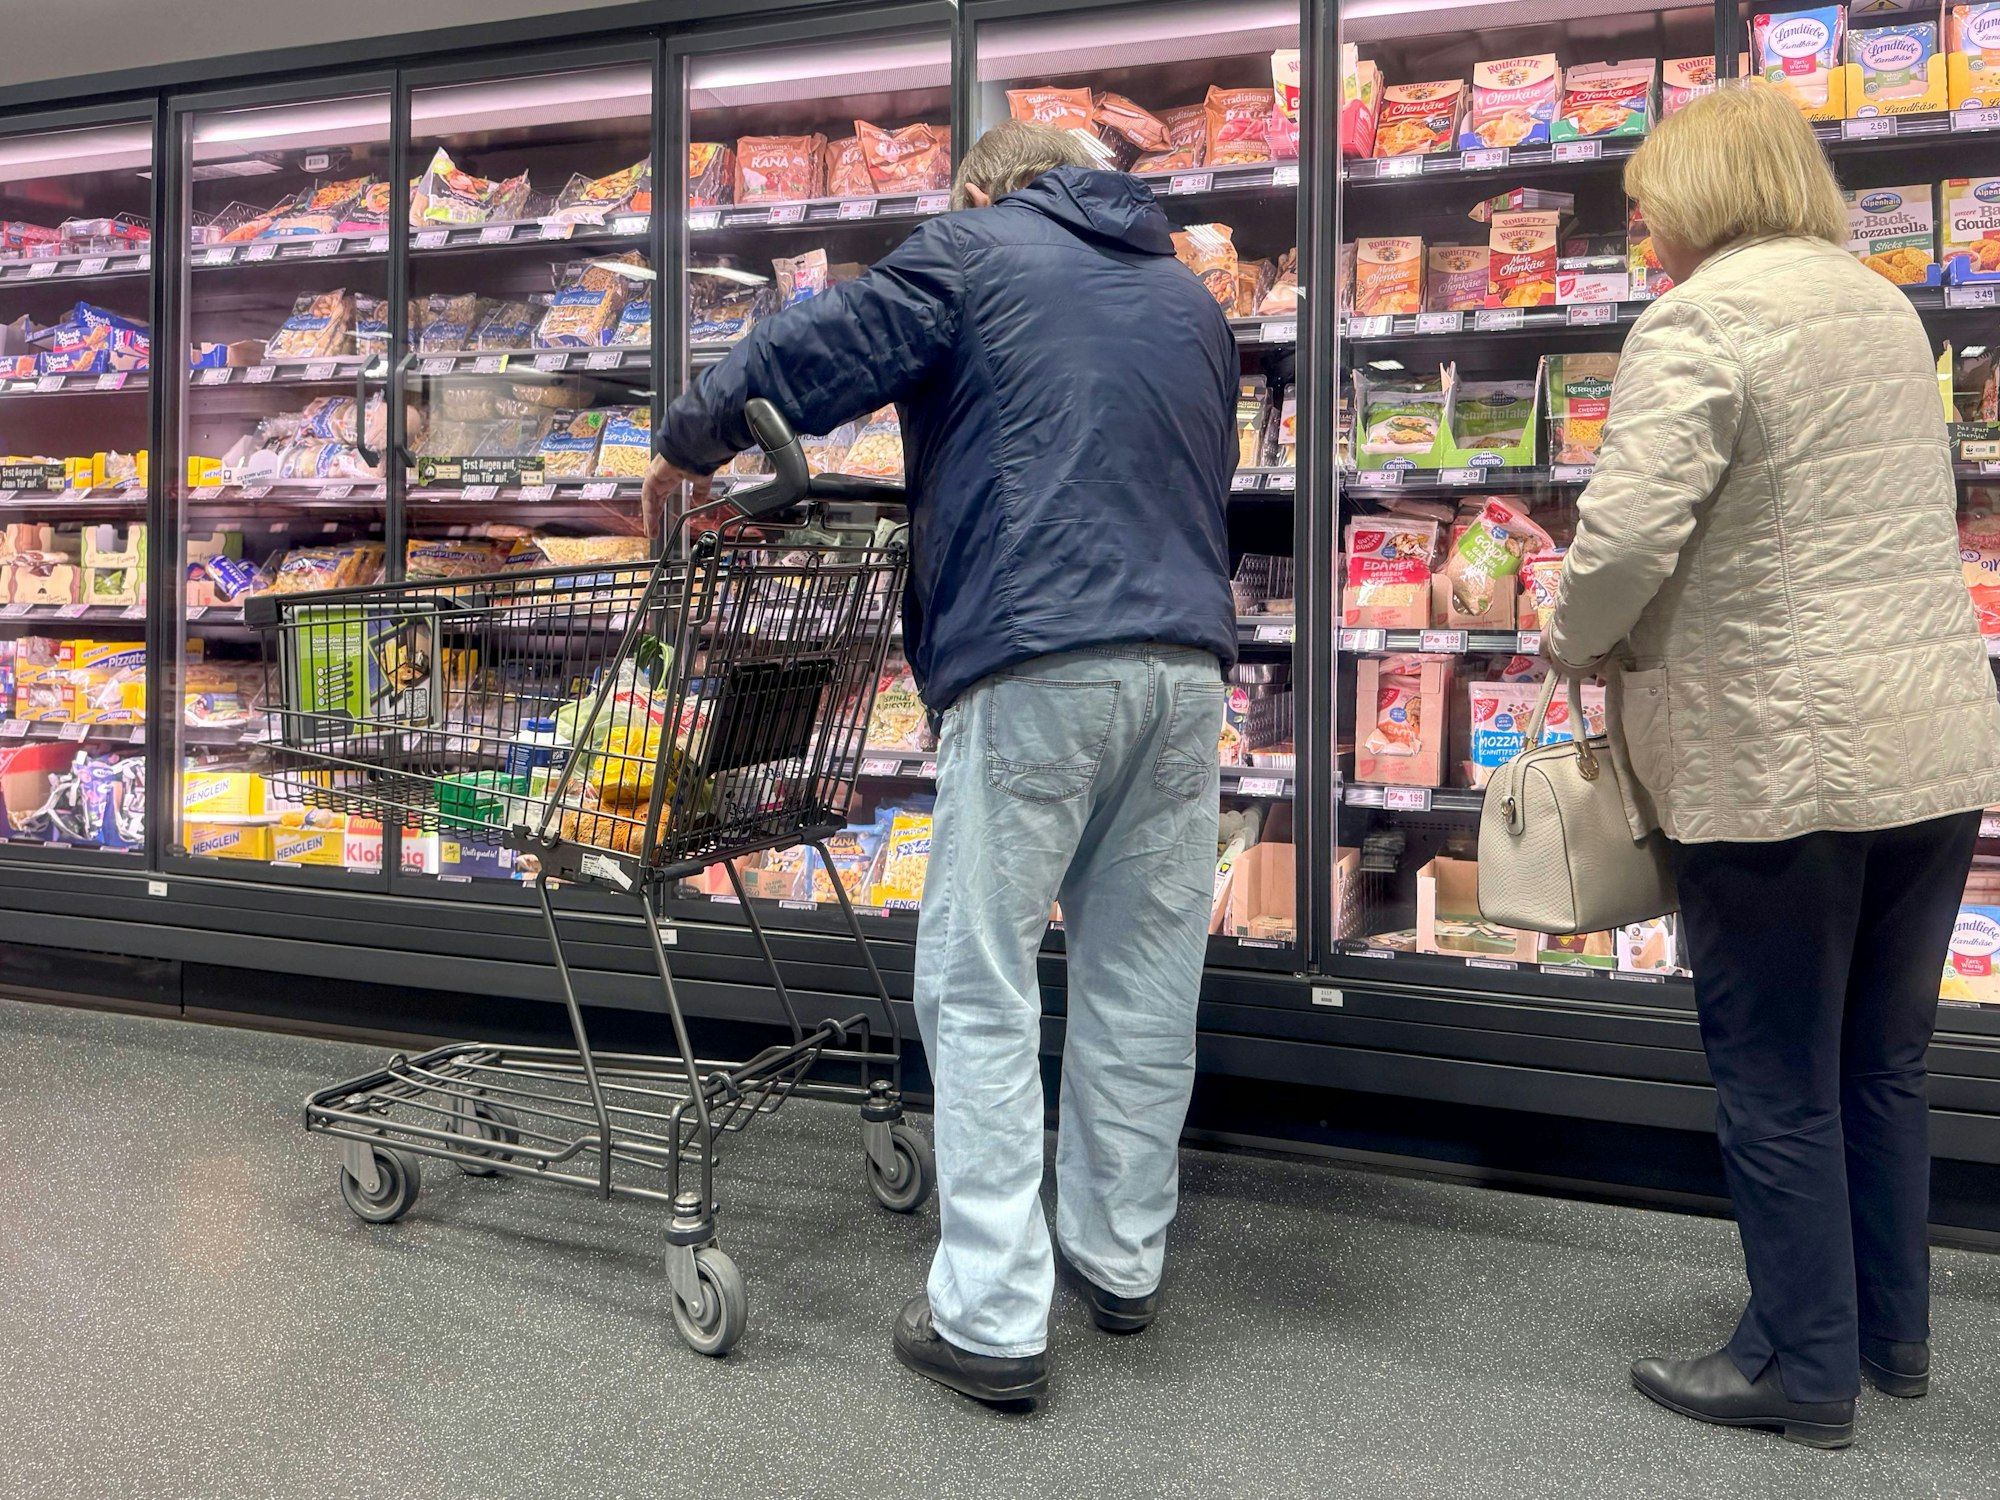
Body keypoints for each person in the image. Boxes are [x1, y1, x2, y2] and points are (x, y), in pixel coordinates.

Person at [644, 120, 1238, 1409]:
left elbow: (808, 349)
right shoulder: (1189, 295)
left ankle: (991, 1316)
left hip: (1035, 659)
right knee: (1143, 976)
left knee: (978, 984)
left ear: (980, 187)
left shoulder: (970, 251)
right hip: (1188, 670)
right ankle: (1118, 1258)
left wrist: (687, 438)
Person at [1547, 81, 2000, 1450]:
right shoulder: (1880, 306)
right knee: (1882, 1062)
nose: (1641, 239)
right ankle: (1889, 1335)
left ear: (1700, 195)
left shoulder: (1700, 320)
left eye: (1646, 210)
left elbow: (1627, 541)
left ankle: (1800, 1368)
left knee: (1773, 1070)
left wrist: (1569, 634)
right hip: (1930, 740)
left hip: (1779, 749)